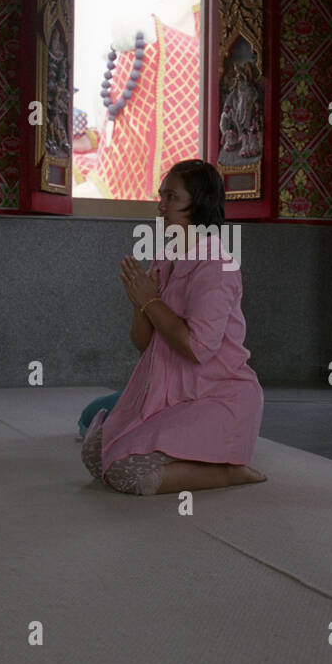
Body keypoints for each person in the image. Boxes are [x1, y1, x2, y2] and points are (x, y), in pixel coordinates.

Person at [81, 160, 266, 495]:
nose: (160, 205)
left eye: (171, 196)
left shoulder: (217, 266)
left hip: (217, 397)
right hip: (173, 395)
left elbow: (198, 348)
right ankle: (201, 457)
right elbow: (143, 343)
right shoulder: (164, 258)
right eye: (161, 195)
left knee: (127, 474)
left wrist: (152, 302)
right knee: (95, 457)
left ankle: (232, 471)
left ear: (199, 201)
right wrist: (140, 303)